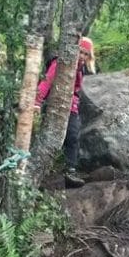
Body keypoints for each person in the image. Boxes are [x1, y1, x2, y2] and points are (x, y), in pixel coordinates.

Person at [35, 36, 96, 188]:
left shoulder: (83, 69)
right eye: (80, 52)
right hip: (56, 105)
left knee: (73, 136)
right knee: (51, 140)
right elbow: (47, 82)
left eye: (86, 54)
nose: (82, 56)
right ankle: (41, 173)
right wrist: (37, 102)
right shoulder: (60, 63)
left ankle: (70, 170)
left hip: (72, 107)